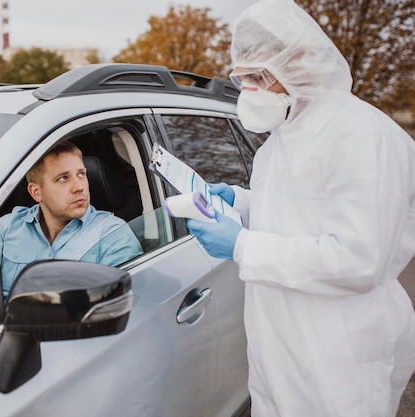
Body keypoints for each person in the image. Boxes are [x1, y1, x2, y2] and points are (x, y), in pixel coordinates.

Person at [186, 1, 415, 416]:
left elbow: (357, 257)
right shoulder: (280, 140)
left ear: (302, 61)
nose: (250, 90)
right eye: (245, 78)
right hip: (280, 347)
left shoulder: (361, 135)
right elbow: (296, 212)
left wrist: (243, 247)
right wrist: (241, 201)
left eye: (260, 76)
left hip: (338, 354)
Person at [0, 141, 143, 296]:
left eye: (81, 174)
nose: (79, 186)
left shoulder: (113, 234)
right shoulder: (6, 228)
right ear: (36, 192)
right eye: (63, 178)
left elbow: (117, 308)